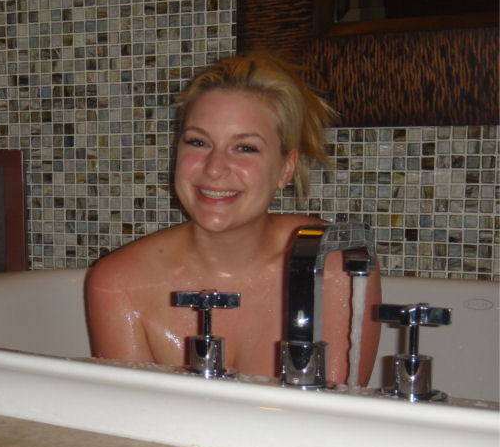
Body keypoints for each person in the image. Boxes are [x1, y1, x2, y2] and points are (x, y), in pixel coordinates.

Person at [85, 52, 381, 386]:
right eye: (198, 142)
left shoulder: (334, 263)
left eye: (245, 148)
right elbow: (133, 414)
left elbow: (335, 411)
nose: (214, 168)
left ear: (286, 168)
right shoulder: (120, 283)